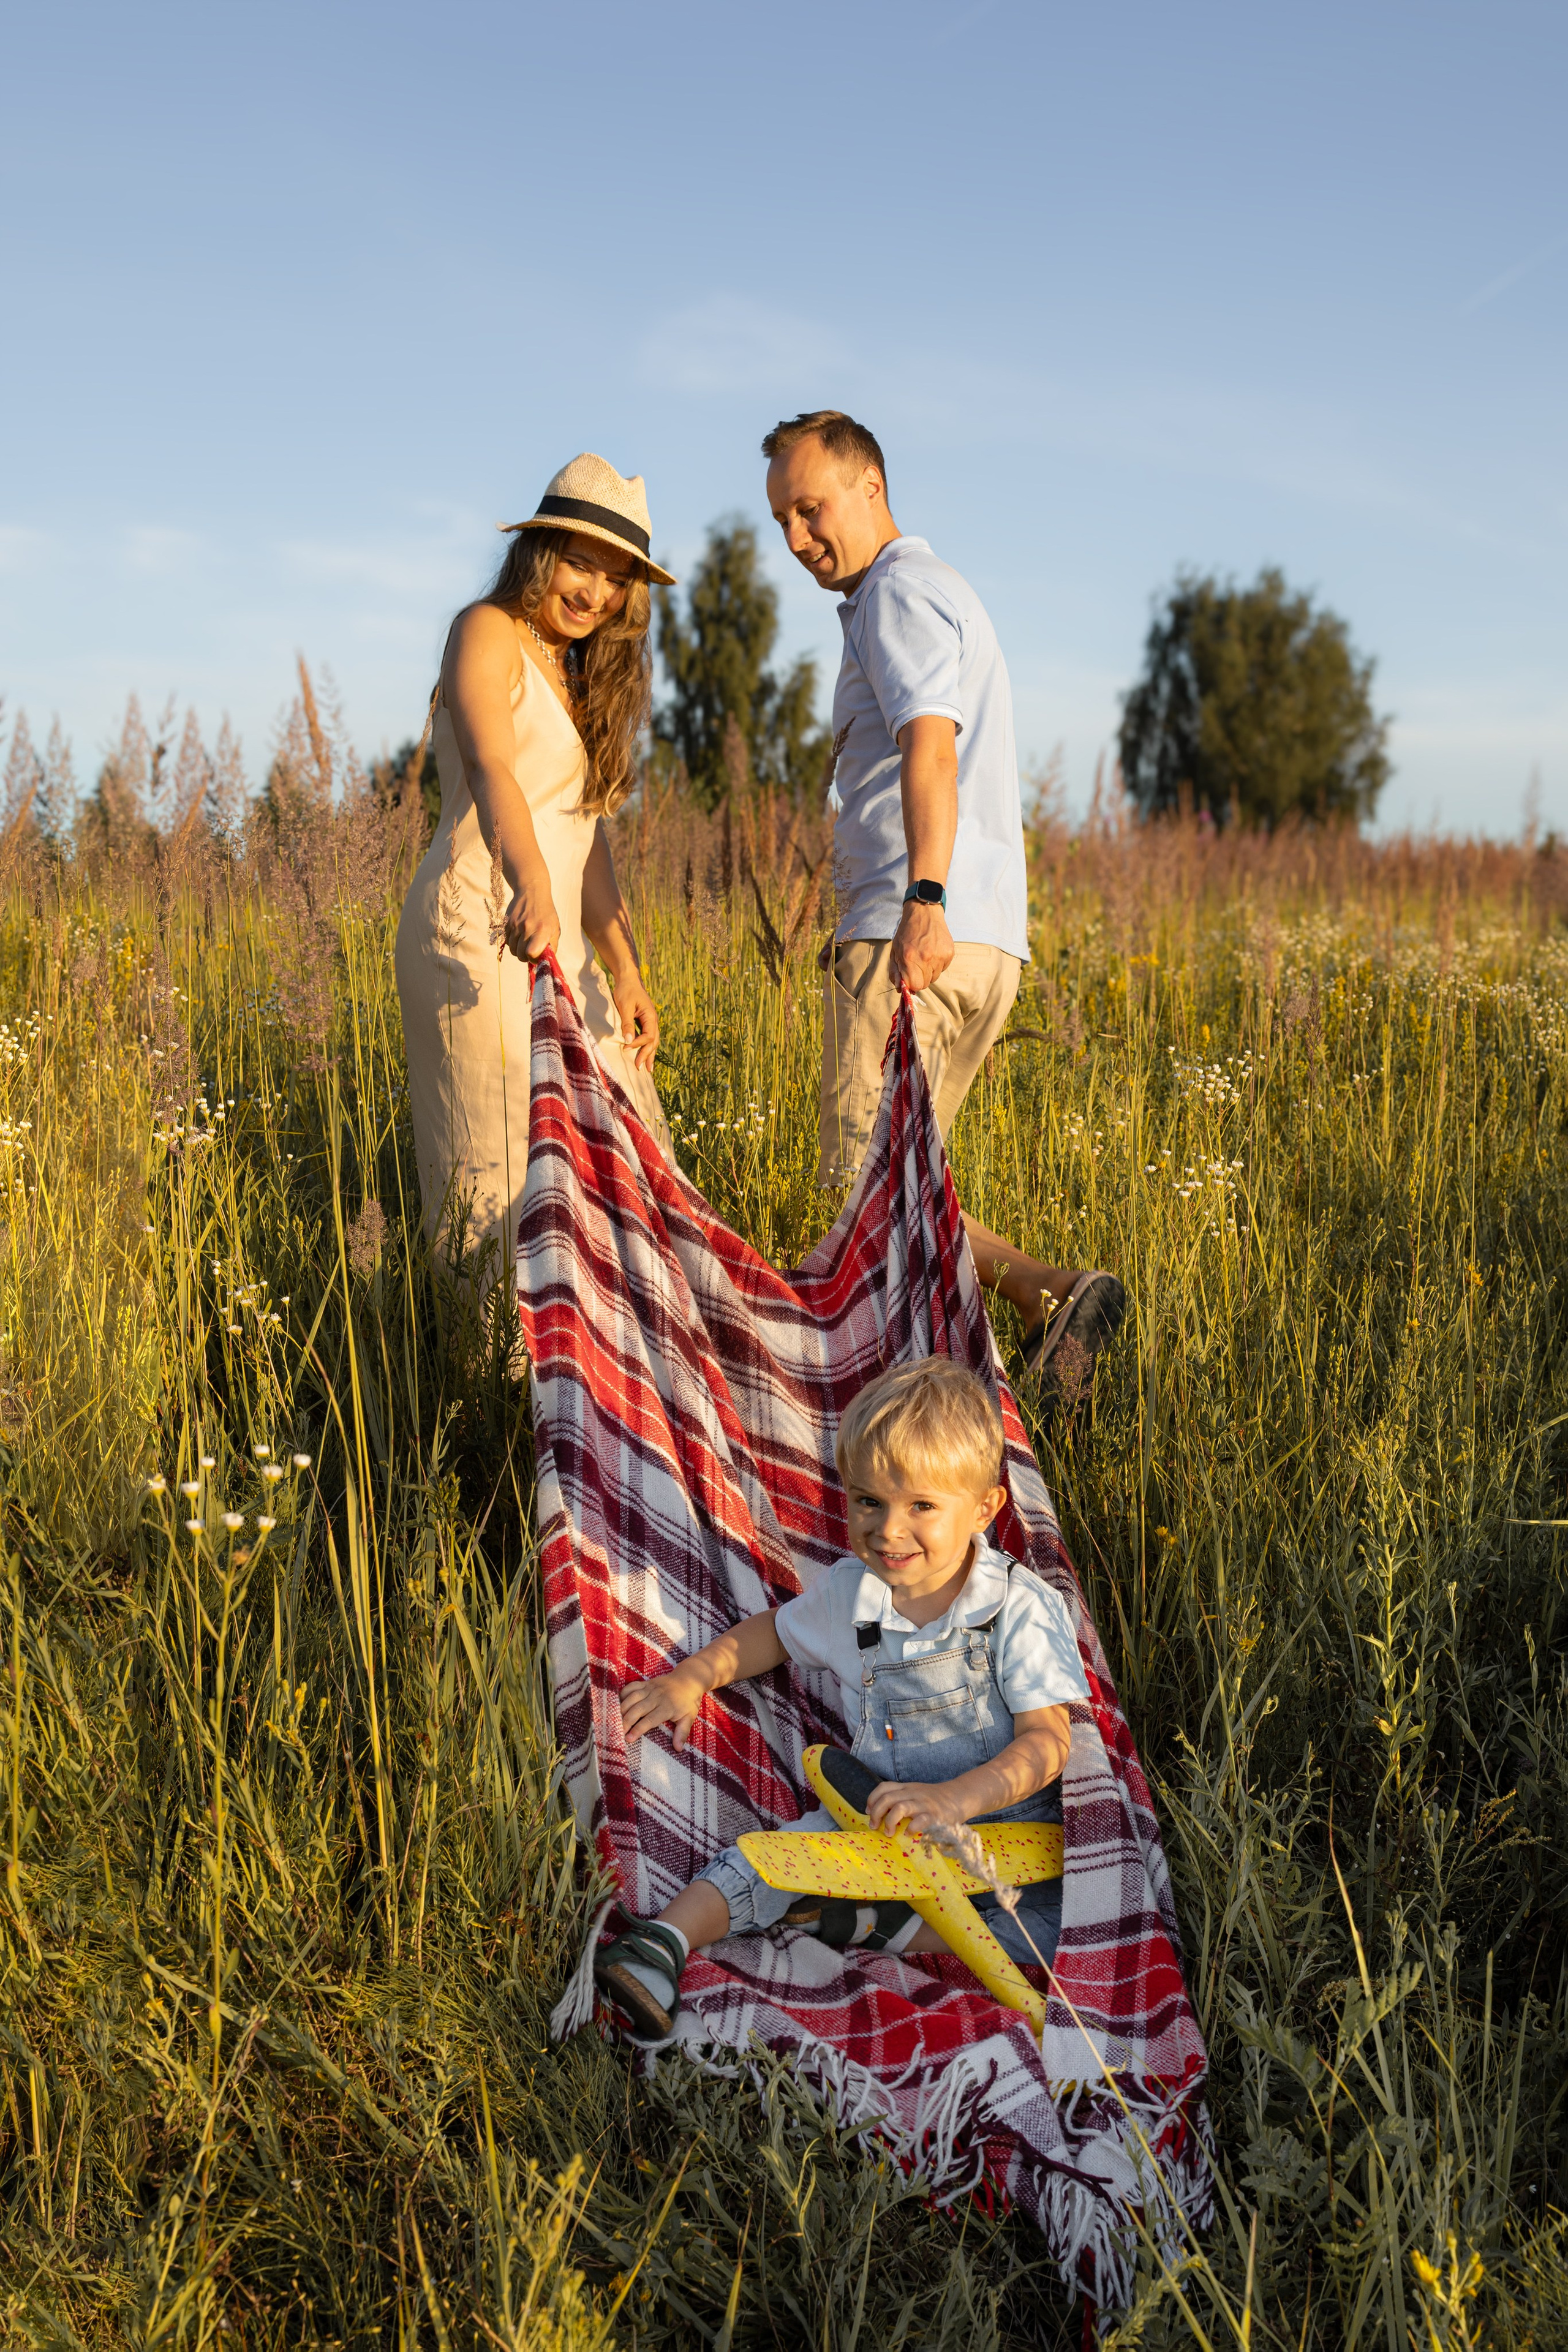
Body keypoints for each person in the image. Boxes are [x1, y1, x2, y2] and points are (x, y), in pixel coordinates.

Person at [762, 410, 1125, 1392]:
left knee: (862, 1210)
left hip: (910, 932)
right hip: (982, 942)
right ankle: (1046, 1303)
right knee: (901, 1199)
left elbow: (930, 743)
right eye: (782, 522)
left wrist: (923, 895)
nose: (797, 538)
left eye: (811, 508)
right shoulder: (939, 591)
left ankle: (960, 1425)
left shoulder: (897, 594)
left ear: (870, 487)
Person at [592, 1358, 1087, 2043]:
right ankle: (661, 1944)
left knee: (1067, 1919)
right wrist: (696, 1676)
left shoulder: (1014, 1607)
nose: (887, 1530)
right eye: (867, 1502)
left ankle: (880, 1923)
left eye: (920, 1507)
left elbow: (1047, 1742)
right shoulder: (857, 1596)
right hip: (876, 1819)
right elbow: (773, 1635)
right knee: (767, 1858)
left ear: (983, 1509)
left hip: (1002, 1838)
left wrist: (954, 1801)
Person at [396, 454, 674, 1308]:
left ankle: (611, 1376)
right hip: (481, 924)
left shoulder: (584, 673)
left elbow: (585, 834)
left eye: (617, 578)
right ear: (539, 551)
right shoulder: (486, 630)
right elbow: (492, 769)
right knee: (494, 1171)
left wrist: (624, 963)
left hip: (554, 933)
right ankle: (496, 1394)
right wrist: (529, 881)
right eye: (580, 564)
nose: (595, 592)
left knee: (633, 1153)